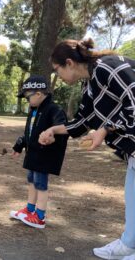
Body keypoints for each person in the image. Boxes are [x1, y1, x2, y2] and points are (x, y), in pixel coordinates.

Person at [39, 38, 135, 259]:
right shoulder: (90, 84)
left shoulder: (106, 67)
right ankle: (128, 244)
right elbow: (83, 120)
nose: (58, 77)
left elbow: (134, 100)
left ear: (69, 63)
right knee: (132, 196)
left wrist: (107, 129)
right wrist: (54, 130)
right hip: (132, 149)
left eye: (57, 70)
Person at [9, 75, 68, 229]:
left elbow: (64, 128)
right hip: (33, 154)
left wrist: (52, 136)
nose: (27, 101)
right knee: (31, 180)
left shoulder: (53, 109)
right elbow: (30, 132)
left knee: (41, 184)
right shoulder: (35, 110)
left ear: (38, 94)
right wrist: (20, 144)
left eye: (27, 97)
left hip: (45, 155)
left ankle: (40, 216)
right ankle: (30, 210)